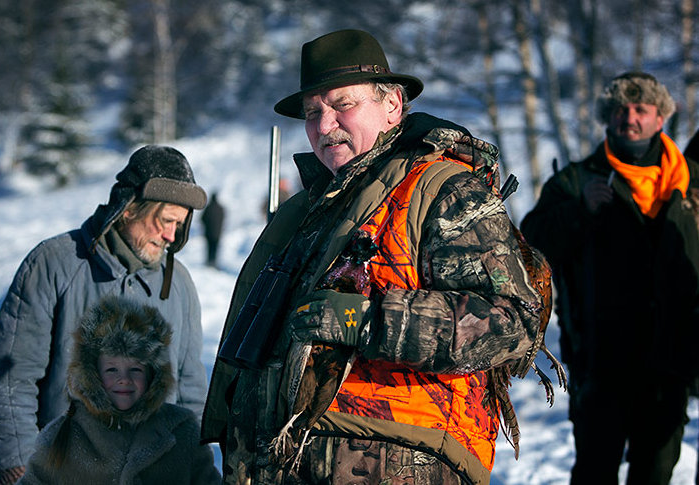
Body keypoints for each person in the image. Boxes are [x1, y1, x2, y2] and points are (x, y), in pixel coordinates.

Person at [202, 29, 550, 485]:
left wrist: (364, 321)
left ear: (392, 106)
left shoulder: (443, 189)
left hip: (400, 459)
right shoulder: (306, 213)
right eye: (312, 113)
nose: (324, 126)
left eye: (342, 104)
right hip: (286, 464)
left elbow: (512, 321)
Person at [0, 145, 210, 485]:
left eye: (180, 225)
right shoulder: (55, 264)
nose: (171, 236)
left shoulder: (179, 285)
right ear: (129, 208)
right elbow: (12, 375)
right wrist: (18, 467)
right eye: (165, 221)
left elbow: (190, 389)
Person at [521, 72, 699, 485]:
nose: (629, 117)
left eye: (641, 109)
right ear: (607, 117)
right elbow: (529, 248)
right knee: (595, 471)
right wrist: (579, 211)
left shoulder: (691, 183)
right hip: (600, 361)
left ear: (661, 118)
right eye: (620, 109)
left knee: (656, 471)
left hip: (672, 359)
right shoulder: (574, 181)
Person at [16, 295, 221, 485]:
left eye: (135, 369)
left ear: (153, 374)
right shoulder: (64, 436)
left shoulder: (182, 431)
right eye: (112, 369)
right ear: (92, 374)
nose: (124, 379)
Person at [201, 191, 225, 268]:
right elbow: (223, 219)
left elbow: (202, 219)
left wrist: (207, 225)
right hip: (217, 233)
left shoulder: (208, 208)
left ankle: (209, 261)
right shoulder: (220, 208)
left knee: (209, 247)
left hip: (209, 232)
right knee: (215, 248)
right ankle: (214, 262)